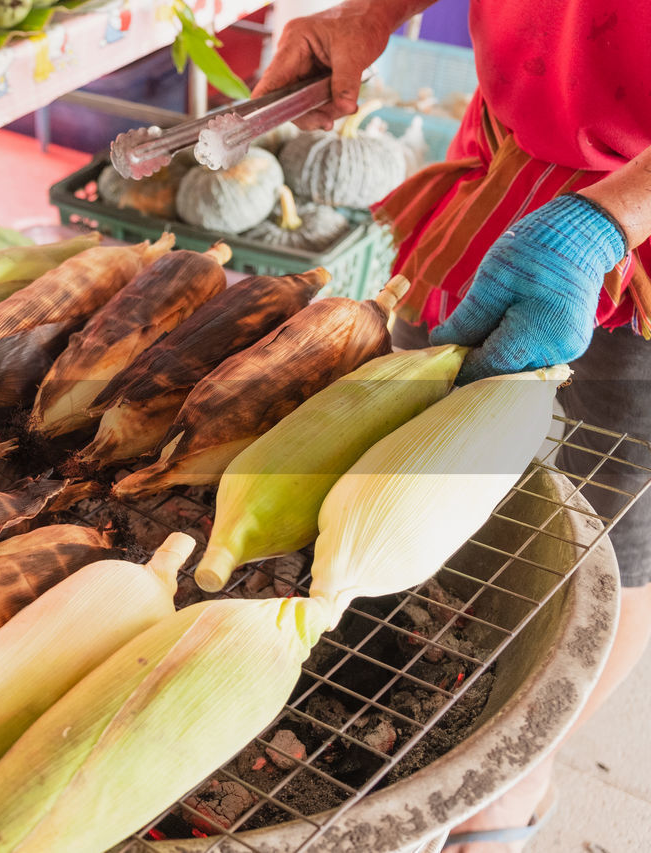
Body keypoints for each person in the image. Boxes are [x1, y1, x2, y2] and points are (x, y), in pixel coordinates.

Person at [253, 1, 651, 850]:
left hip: (637, 233)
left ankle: (516, 776)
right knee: (412, 452)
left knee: (618, 533)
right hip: (510, 166)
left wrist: (606, 220)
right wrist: (372, 13)